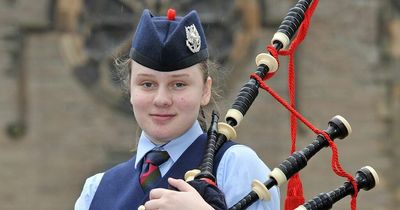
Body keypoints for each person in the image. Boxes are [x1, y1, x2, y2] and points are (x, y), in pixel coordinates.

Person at [74, 8, 280, 210]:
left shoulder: (236, 166)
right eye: (147, 84)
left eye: (178, 84)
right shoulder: (95, 191)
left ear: (205, 91)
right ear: (130, 90)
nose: (162, 99)